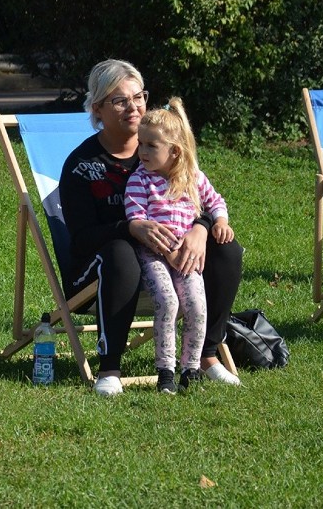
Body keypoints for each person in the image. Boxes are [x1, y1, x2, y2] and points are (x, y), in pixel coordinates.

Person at [59, 59, 243, 397]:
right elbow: (82, 239)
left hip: (171, 265)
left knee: (227, 249)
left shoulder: (165, 152)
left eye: (139, 96)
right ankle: (110, 367)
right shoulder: (82, 166)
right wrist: (130, 228)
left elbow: (197, 198)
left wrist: (201, 228)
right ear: (98, 109)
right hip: (101, 270)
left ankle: (207, 356)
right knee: (120, 251)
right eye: (120, 100)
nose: (134, 107)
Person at [124, 97, 235, 393]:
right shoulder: (140, 180)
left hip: (186, 257)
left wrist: (220, 222)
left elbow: (215, 202)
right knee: (167, 301)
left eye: (151, 146)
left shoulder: (192, 178)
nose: (142, 151)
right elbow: (135, 218)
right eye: (141, 143)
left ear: (174, 152)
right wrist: (168, 252)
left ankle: (191, 368)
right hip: (153, 255)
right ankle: (166, 371)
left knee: (197, 305)